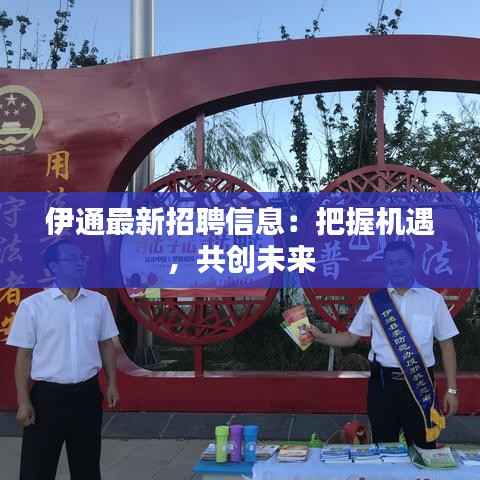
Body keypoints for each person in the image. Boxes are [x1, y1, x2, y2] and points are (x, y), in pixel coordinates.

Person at [309, 241, 459, 448]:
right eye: (390, 263)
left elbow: (447, 346)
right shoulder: (374, 301)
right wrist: (320, 336)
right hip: (382, 384)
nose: (396, 267)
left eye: (401, 262)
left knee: (423, 448)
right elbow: (351, 338)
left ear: (413, 263)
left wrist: (452, 390)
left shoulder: (433, 300)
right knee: (383, 448)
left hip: (420, 384)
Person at [7, 239, 120, 480]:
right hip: (47, 398)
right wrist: (23, 401)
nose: (80, 263)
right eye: (72, 259)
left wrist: (112, 383)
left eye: (81, 258)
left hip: (87, 395)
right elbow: (23, 357)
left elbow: (106, 344)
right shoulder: (33, 306)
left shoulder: (98, 302)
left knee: (87, 467)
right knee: (37, 469)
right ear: (53, 267)